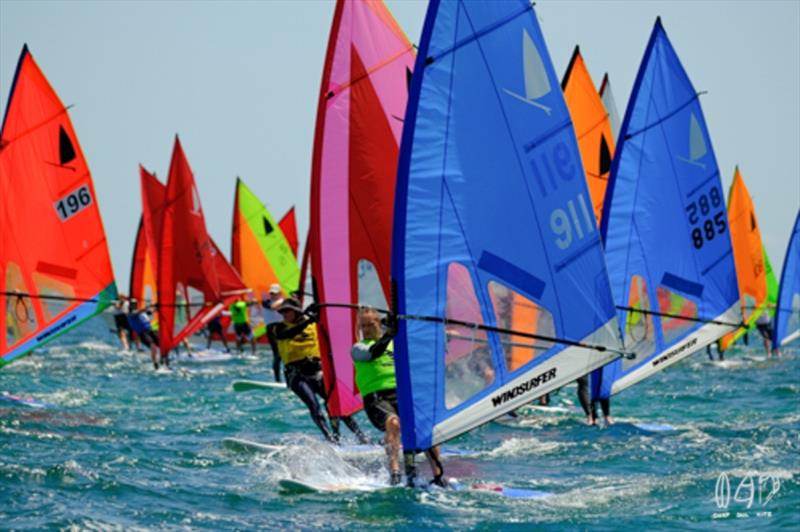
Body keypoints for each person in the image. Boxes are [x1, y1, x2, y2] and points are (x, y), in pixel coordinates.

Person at [351, 307, 444, 486]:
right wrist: (389, 334)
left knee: (425, 426)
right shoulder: (358, 348)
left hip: (402, 395)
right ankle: (394, 472)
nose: (366, 329)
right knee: (393, 423)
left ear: (379, 323)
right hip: (377, 399)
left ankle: (438, 475)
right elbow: (374, 353)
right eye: (363, 326)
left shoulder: (397, 344)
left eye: (370, 324)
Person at [273, 297, 336, 442]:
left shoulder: (314, 325)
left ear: (296, 311)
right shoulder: (279, 328)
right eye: (282, 312)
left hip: (317, 372)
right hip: (297, 376)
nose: (284, 315)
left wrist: (320, 312)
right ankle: (331, 439)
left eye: (287, 311)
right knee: (314, 406)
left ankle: (359, 437)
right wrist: (309, 320)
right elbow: (288, 334)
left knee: (333, 405)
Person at [128, 299, 161, 370]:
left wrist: (157, 307)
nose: (133, 305)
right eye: (132, 304)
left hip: (150, 331)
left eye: (135, 304)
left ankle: (163, 359)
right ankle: (155, 363)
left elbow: (150, 312)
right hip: (143, 334)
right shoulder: (131, 313)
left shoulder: (142, 312)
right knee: (153, 346)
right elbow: (139, 311)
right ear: (130, 305)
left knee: (161, 344)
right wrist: (149, 306)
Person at [262, 284, 285, 381]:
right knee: (277, 355)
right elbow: (273, 307)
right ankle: (277, 380)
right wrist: (284, 300)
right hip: (272, 329)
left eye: (275, 293)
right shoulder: (266, 302)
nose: (273, 295)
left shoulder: (285, 302)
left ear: (280, 293)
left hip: (283, 327)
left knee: (287, 353)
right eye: (271, 293)